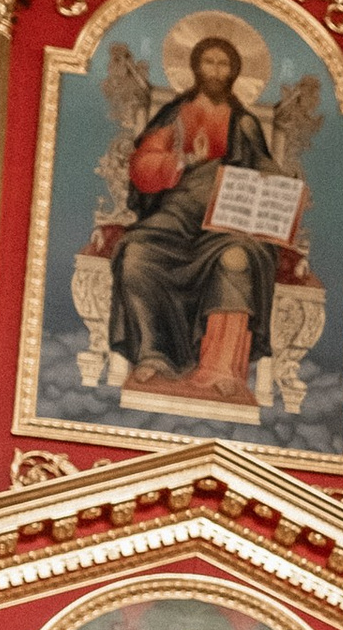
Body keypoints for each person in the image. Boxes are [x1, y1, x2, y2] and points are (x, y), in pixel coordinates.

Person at [110, 29, 284, 407]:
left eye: (224, 65)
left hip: (228, 222)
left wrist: (282, 180)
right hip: (177, 215)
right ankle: (154, 355)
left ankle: (222, 370)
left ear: (234, 72)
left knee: (236, 260)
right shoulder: (175, 116)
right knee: (136, 253)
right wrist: (185, 160)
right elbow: (142, 167)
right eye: (210, 62)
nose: (216, 71)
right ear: (195, 67)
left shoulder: (245, 124)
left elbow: (265, 166)